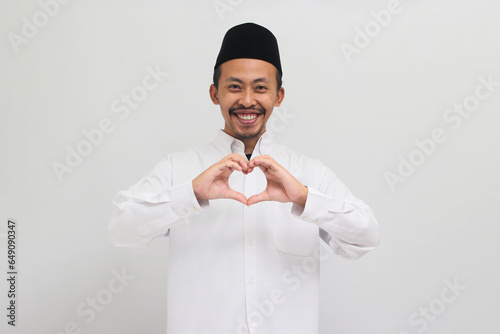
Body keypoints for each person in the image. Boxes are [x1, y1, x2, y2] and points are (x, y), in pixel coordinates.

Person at [108, 22, 380, 334]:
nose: (247, 100)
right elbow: (121, 231)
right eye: (235, 86)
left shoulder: (309, 173)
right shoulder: (179, 168)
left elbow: (367, 238)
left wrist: (304, 198)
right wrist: (192, 194)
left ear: (278, 96)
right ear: (215, 93)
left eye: (260, 88)